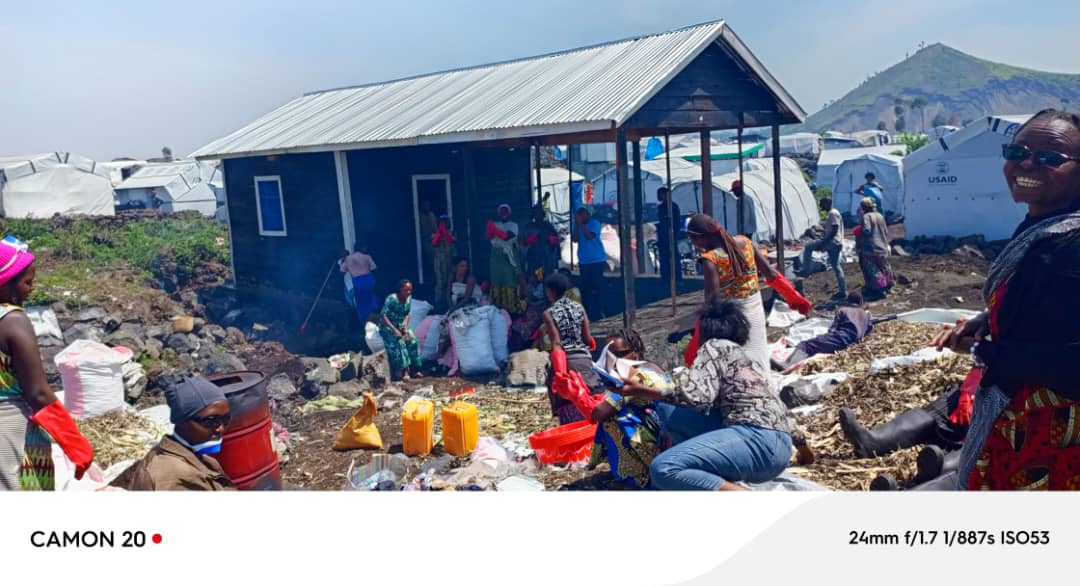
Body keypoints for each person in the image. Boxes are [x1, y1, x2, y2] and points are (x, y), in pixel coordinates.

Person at [931, 109, 1080, 491]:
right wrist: (993, 315)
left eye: (1050, 158)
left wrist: (984, 351)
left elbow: (1070, 360)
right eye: (1017, 153)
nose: (1027, 164)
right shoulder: (1045, 224)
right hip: (1024, 421)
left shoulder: (1070, 244)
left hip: (1051, 434)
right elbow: (1046, 302)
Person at [619, 301, 794, 491]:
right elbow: (783, 415)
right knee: (670, 409)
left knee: (663, 468)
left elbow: (697, 397)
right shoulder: (748, 360)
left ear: (703, 331)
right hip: (780, 449)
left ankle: (741, 495)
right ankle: (705, 476)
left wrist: (642, 390)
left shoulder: (714, 345)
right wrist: (804, 451)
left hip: (756, 441)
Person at [0, 236, 93, 490]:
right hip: (10, 432)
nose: (31, 289)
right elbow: (38, 393)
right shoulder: (12, 320)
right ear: (5, 284)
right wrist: (75, 444)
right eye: (27, 282)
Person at [684, 213, 779, 374]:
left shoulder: (710, 259)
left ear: (700, 238)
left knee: (739, 361)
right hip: (755, 309)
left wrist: (701, 334)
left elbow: (712, 300)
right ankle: (765, 386)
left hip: (732, 317)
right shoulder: (746, 242)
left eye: (692, 239)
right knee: (758, 353)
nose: (693, 243)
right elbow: (770, 274)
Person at [589, 329, 666, 489]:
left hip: (659, 436)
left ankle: (636, 476)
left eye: (621, 354)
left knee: (614, 419)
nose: (616, 360)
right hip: (660, 428)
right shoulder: (650, 367)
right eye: (610, 357)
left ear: (635, 352)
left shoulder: (638, 376)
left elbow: (600, 413)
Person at [127, 377, 235, 491]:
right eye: (210, 421)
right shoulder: (172, 477)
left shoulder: (200, 457)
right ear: (181, 422)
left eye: (226, 418)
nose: (221, 428)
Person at [542, 272, 598, 425]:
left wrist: (560, 373)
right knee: (589, 399)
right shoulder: (579, 308)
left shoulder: (549, 313)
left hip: (565, 362)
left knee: (566, 401)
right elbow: (587, 339)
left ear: (550, 291)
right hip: (584, 361)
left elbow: (556, 342)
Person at [776, 293, 871, 371]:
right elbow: (869, 329)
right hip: (854, 342)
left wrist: (826, 337)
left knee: (805, 345)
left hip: (841, 338)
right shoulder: (865, 314)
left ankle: (786, 365)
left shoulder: (843, 310)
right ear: (860, 302)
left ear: (848, 301)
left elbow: (833, 328)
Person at [797, 197, 846, 299]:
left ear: (827, 203)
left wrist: (825, 243)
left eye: (822, 204)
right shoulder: (833, 213)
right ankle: (842, 291)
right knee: (836, 267)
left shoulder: (833, 213)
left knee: (808, 247)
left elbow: (834, 229)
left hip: (832, 242)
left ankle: (805, 271)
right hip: (837, 243)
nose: (821, 206)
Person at [379, 279, 423, 381]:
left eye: (410, 290)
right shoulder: (391, 299)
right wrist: (395, 330)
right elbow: (383, 316)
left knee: (413, 340)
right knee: (400, 342)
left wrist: (405, 325)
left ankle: (415, 369)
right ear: (399, 290)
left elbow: (407, 314)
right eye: (406, 290)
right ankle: (404, 371)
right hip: (388, 326)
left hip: (400, 325)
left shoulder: (409, 299)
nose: (408, 292)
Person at [487, 204, 525, 313]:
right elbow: (489, 236)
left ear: (509, 213)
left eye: (506, 211)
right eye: (501, 211)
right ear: (498, 213)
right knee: (497, 279)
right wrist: (494, 231)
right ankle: (498, 309)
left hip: (508, 253)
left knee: (510, 278)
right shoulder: (495, 224)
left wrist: (495, 231)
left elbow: (508, 236)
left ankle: (511, 309)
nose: (503, 213)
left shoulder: (513, 225)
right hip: (495, 255)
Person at [853, 197, 894, 299]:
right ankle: (889, 284)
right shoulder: (880, 215)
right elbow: (885, 231)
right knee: (884, 266)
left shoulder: (866, 216)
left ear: (864, 207)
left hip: (871, 248)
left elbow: (867, 230)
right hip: (883, 247)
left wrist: (859, 231)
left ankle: (879, 290)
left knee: (872, 269)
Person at [574, 206, 607, 319]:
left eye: (582, 214)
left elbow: (589, 236)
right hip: (584, 261)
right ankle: (587, 311)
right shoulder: (578, 226)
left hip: (596, 259)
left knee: (597, 286)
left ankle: (600, 310)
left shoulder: (595, 223)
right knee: (586, 287)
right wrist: (577, 226)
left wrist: (581, 225)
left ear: (587, 214)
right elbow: (575, 239)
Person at [520, 204, 560, 282]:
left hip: (546, 258)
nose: (537, 215)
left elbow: (556, 242)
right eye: (535, 213)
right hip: (533, 258)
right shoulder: (529, 227)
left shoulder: (548, 226)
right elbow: (522, 243)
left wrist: (551, 241)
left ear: (543, 214)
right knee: (535, 278)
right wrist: (527, 241)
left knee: (547, 279)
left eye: (539, 213)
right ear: (533, 215)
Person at [340, 243, 378, 321]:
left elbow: (342, 271)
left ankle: (366, 319)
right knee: (370, 299)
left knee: (362, 303)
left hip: (358, 282)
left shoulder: (348, 259)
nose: (366, 249)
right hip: (369, 280)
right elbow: (374, 268)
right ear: (361, 248)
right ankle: (372, 316)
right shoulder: (367, 257)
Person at [656, 186, 683, 283]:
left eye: (660, 194)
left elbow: (676, 223)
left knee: (673, 258)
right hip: (663, 237)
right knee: (664, 258)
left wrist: (675, 235)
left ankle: (677, 278)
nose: (658, 196)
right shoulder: (660, 208)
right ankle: (666, 278)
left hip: (670, 236)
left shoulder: (673, 207)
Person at [431, 214, 456, 310]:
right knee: (440, 283)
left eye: (446, 222)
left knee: (450, 282)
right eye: (442, 222)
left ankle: (449, 302)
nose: (444, 224)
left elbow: (452, 240)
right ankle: (439, 304)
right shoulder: (435, 234)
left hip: (450, 261)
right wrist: (440, 231)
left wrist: (445, 232)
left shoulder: (452, 233)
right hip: (439, 262)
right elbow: (434, 243)